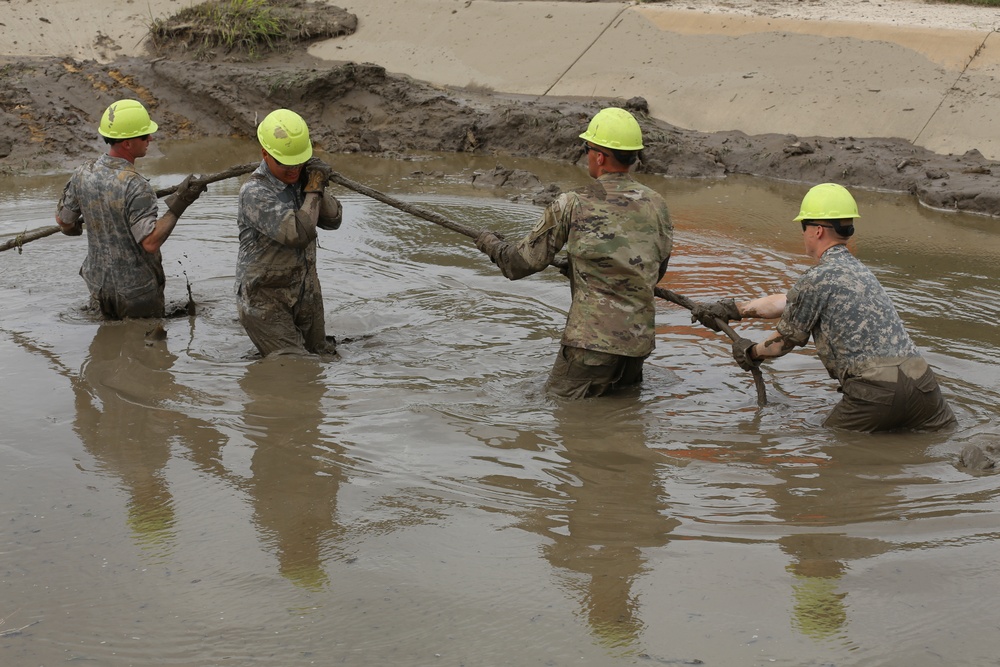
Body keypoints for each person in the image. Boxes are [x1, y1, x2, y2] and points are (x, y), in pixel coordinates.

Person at [690, 182, 956, 432]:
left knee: (831, 447)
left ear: (816, 230)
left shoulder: (817, 278)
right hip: (925, 389)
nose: (803, 235)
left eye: (803, 228)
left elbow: (783, 343)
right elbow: (787, 302)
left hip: (876, 395)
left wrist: (751, 352)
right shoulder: (859, 272)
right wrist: (735, 309)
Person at [475, 107, 673, 399]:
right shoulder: (658, 204)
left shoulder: (573, 203)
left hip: (590, 345)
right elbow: (655, 270)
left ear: (600, 157)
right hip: (638, 345)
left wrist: (491, 244)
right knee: (620, 418)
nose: (587, 155)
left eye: (587, 148)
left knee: (557, 411)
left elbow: (519, 264)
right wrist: (584, 264)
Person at [56, 99, 206, 319]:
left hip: (98, 286)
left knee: (104, 347)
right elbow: (150, 242)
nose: (151, 139)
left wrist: (77, 226)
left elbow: (64, 222)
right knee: (148, 348)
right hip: (136, 292)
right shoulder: (135, 185)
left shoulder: (83, 173)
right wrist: (180, 203)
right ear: (127, 143)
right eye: (145, 136)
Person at [235, 108, 343, 357]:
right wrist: (313, 189)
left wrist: (317, 184)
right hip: (265, 299)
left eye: (299, 160)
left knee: (321, 356)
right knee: (294, 369)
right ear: (265, 153)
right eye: (286, 163)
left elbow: (334, 219)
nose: (294, 169)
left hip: (306, 292)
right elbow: (298, 233)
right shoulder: (254, 192)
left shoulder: (301, 178)